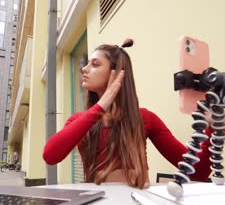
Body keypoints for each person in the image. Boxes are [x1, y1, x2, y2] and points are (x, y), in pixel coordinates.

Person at [42, 39, 213, 188]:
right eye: (87, 63)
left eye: (95, 64)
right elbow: (50, 156)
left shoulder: (145, 119)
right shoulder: (79, 120)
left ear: (115, 73)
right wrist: (100, 107)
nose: (84, 69)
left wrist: (214, 128)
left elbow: (198, 173)